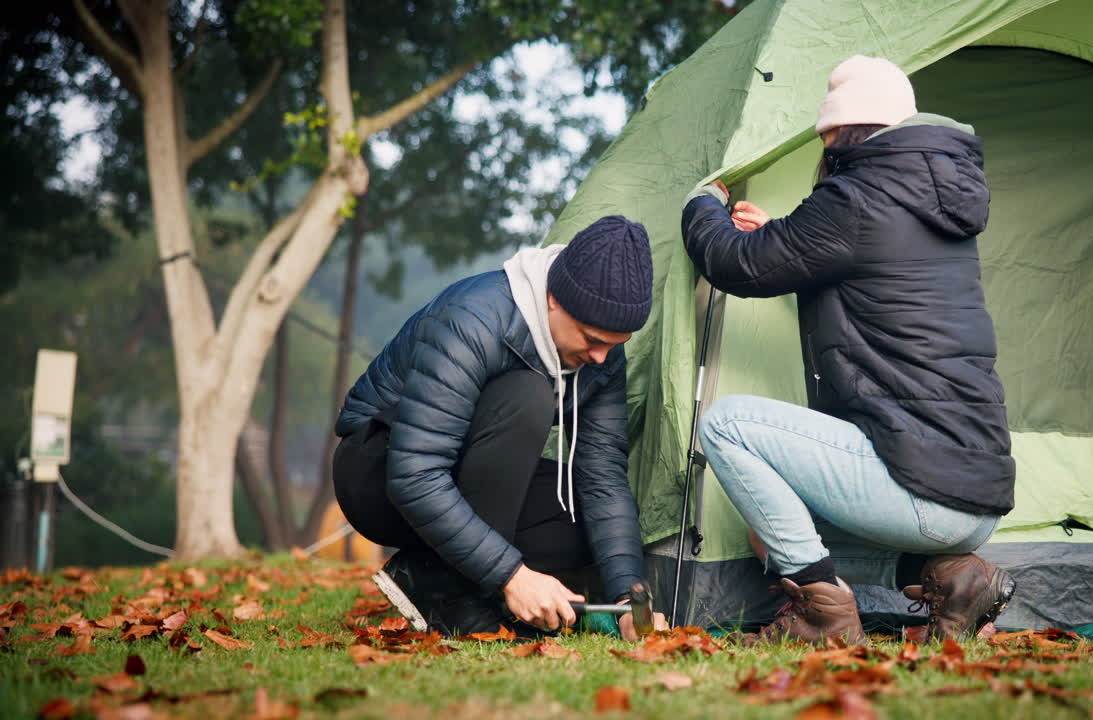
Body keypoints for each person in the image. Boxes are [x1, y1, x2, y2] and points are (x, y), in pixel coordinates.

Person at [681, 56, 1016, 645]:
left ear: (841, 133)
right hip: (973, 495)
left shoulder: (857, 196)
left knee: (728, 426)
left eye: (825, 138)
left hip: (926, 488)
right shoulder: (923, 191)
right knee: (773, 538)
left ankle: (822, 618)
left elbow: (734, 263)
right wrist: (783, 238)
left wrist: (701, 204)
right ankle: (955, 579)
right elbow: (858, 275)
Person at [332, 215, 667, 639]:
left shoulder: (601, 360)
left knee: (584, 514)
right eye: (591, 338)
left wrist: (626, 599)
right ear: (553, 301)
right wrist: (513, 576)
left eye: (614, 345)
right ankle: (460, 595)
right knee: (527, 396)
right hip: (377, 472)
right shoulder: (474, 318)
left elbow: (602, 480)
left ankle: (428, 575)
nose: (602, 357)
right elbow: (414, 473)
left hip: (459, 480)